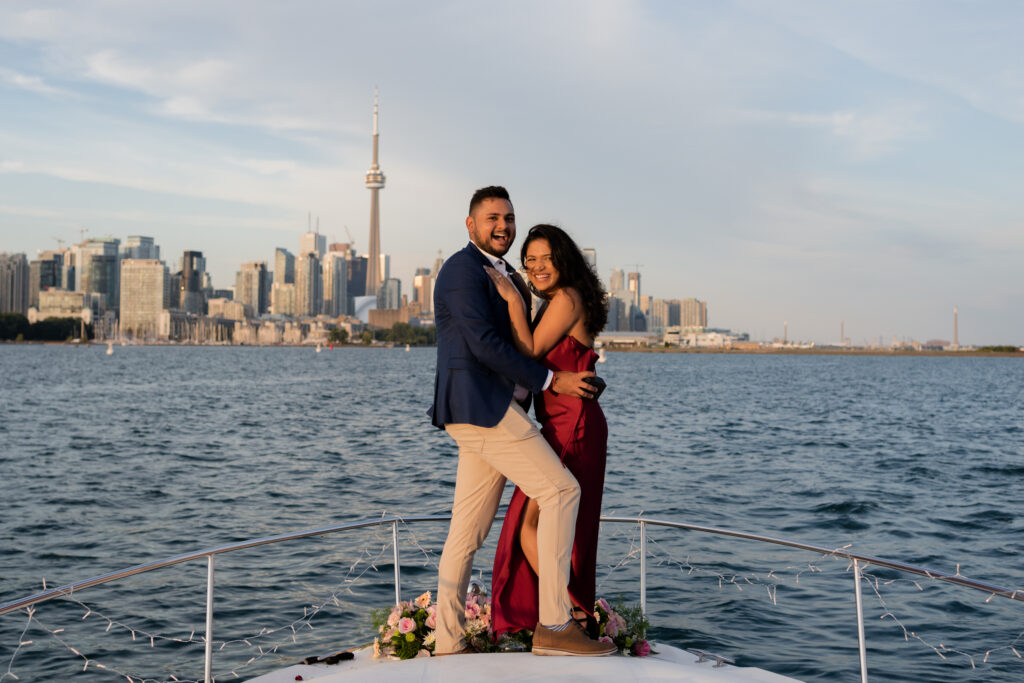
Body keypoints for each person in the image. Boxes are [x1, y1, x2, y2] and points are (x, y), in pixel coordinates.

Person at [430, 187, 616, 657]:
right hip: (482, 410)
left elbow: (526, 338)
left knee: (467, 531)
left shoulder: (509, 273)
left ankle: (449, 641)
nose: (503, 226)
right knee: (561, 491)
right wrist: (554, 381)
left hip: (501, 411)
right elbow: (485, 346)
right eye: (493, 217)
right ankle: (555, 623)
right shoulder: (460, 270)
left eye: (509, 218)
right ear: (470, 224)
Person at [484, 223, 610, 641]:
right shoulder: (562, 299)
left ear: (564, 259)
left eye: (546, 259)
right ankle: (566, 613)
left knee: (529, 525)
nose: (537, 267)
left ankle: (571, 612)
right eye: (530, 260)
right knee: (541, 522)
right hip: (561, 422)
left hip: (572, 425)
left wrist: (511, 300)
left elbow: (530, 352)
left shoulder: (567, 298)